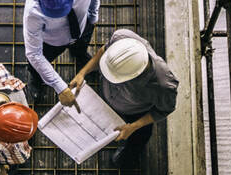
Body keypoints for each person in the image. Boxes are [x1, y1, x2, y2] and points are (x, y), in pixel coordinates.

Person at [68, 29, 179, 168]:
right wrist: (82, 73)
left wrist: (133, 127)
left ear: (133, 76)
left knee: (136, 142)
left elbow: (164, 110)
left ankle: (126, 159)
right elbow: (103, 51)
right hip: (109, 98)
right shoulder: (122, 37)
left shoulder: (164, 86)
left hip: (133, 114)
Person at [23, 0, 100, 110]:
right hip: (51, 43)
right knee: (35, 66)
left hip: (81, 28)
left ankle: (80, 55)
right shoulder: (33, 11)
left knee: (80, 49)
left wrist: (92, 17)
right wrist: (60, 87)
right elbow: (34, 53)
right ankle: (36, 79)